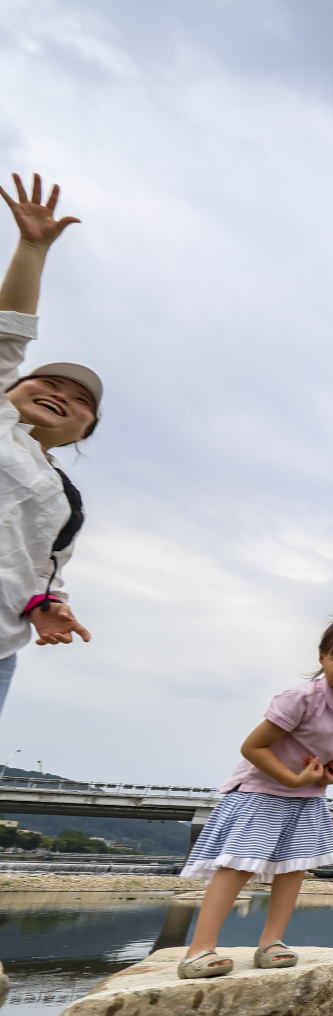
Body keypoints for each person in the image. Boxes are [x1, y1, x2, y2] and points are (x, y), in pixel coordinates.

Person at [177, 616, 333, 977]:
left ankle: (271, 942)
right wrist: (292, 779)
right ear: (322, 657)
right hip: (262, 793)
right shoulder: (301, 699)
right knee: (237, 866)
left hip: (307, 798)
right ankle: (199, 950)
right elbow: (253, 747)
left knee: (293, 868)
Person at [0, 173, 100, 718]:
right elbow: (7, 334)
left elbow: (44, 573)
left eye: (81, 400)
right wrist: (32, 249)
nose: (62, 395)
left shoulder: (67, 501)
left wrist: (47, 606)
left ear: (84, 432)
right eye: (48, 382)